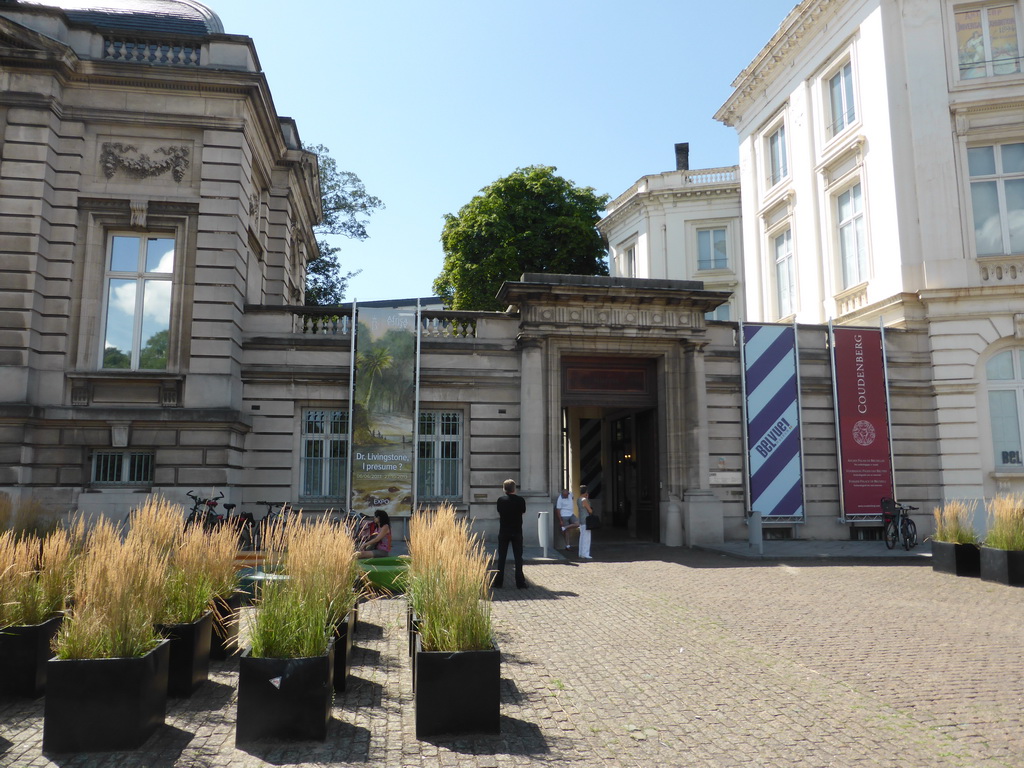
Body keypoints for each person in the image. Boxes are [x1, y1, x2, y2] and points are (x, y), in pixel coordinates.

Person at [494, 478, 527, 588]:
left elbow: (499, 512)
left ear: (504, 489)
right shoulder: (521, 500)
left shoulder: (500, 500)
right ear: (514, 488)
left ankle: (498, 582)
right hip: (517, 531)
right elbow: (522, 512)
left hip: (504, 531)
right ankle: (520, 582)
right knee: (518, 558)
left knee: (502, 557)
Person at [577, 485, 594, 560]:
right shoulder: (584, 500)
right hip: (586, 519)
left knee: (582, 537)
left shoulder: (579, 499)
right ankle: (586, 553)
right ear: (586, 492)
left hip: (581, 519)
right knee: (587, 538)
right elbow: (590, 510)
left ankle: (581, 553)